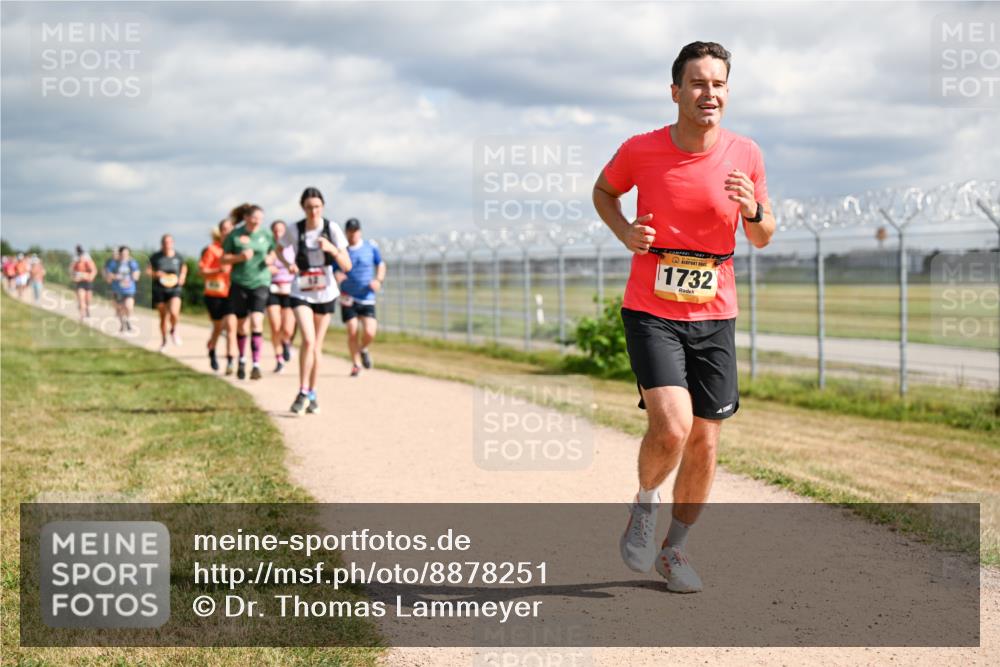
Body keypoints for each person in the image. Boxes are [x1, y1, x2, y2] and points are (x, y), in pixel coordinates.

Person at [593, 41, 775, 593]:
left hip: (715, 314)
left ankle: (674, 551)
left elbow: (763, 237)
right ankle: (645, 505)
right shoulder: (641, 149)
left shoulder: (747, 154)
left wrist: (753, 209)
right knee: (672, 426)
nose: (709, 94)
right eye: (698, 83)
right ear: (676, 92)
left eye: (718, 84)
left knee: (705, 441)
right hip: (652, 309)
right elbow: (604, 191)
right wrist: (625, 231)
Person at [278, 187, 351, 415]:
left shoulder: (332, 229)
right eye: (309, 207)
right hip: (301, 290)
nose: (313, 211)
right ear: (303, 207)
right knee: (308, 341)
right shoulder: (295, 229)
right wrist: (288, 262)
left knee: (316, 345)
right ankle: (302, 390)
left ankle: (312, 392)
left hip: (325, 291)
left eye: (317, 207)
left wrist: (332, 249)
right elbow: (279, 249)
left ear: (323, 207)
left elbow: (347, 265)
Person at [222, 203, 277, 380]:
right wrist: (239, 257)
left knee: (256, 320)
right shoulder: (235, 235)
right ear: (246, 218)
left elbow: (275, 251)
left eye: (260, 220)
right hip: (239, 283)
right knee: (242, 324)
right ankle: (242, 360)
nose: (256, 223)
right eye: (254, 219)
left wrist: (271, 258)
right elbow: (223, 258)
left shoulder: (266, 234)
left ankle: (256, 364)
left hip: (260, 282)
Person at [336, 218, 386, 376]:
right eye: (350, 231)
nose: (353, 234)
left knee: (370, 331)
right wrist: (337, 275)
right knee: (352, 330)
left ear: (360, 232)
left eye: (355, 231)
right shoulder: (342, 250)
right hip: (347, 296)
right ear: (346, 233)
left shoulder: (370, 247)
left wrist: (378, 280)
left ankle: (363, 349)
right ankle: (356, 364)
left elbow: (381, 265)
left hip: (367, 296)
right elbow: (334, 269)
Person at [199, 218, 237, 373]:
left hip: (232, 292)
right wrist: (217, 271)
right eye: (225, 229)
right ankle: (212, 350)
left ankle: (230, 361)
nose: (227, 232)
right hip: (214, 293)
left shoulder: (237, 250)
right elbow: (202, 271)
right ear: (220, 232)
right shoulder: (212, 249)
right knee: (218, 327)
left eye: (230, 229)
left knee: (230, 326)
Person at [266, 219, 297, 373]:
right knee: (275, 326)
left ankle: (286, 342)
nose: (278, 233)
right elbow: (263, 264)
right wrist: (267, 267)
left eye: (281, 230)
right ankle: (278, 358)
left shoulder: (293, 249)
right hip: (273, 289)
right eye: (275, 231)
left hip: (289, 290)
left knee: (288, 329)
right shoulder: (269, 249)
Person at [148, 234, 187, 350]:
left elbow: (184, 267)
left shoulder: (178, 257)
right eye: (165, 242)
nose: (167, 244)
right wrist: (156, 274)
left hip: (175, 289)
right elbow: (148, 271)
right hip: (160, 290)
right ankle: (164, 341)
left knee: (174, 313)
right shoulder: (155, 257)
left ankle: (174, 330)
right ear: (162, 244)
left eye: (169, 242)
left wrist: (182, 277)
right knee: (163, 317)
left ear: (172, 243)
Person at [108, 246, 140, 331]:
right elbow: (109, 274)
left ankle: (128, 321)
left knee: (129, 307)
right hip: (117, 289)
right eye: (123, 253)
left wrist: (134, 276)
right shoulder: (114, 263)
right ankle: (122, 324)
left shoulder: (132, 263)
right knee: (120, 308)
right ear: (120, 254)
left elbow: (137, 273)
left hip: (129, 289)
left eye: (126, 253)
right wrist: (116, 276)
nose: (124, 255)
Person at [70, 245, 98, 319]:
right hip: (80, 283)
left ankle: (87, 309)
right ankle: (82, 315)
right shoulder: (75, 260)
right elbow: (71, 271)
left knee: (88, 300)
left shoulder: (87, 259)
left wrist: (88, 276)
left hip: (88, 282)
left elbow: (94, 270)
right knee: (81, 299)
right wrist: (74, 278)